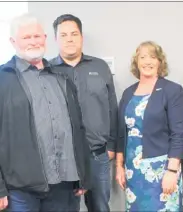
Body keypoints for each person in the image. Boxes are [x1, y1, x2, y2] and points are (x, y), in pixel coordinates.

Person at [0, 13, 92, 212]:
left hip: (64, 185)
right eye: (26, 37)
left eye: (37, 36)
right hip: (19, 191)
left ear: (45, 39)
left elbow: (78, 130)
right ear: (13, 41)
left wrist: (83, 174)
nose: (33, 41)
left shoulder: (62, 78)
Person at [50, 14, 118, 212]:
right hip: (63, 159)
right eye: (63, 35)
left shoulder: (100, 67)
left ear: (81, 37)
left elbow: (112, 108)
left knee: (100, 207)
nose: (69, 39)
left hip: (98, 154)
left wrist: (112, 145)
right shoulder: (48, 70)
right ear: (56, 39)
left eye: (74, 34)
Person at [115, 41, 183, 211]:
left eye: (153, 57)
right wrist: (119, 166)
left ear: (160, 62)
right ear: (136, 62)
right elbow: (121, 132)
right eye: (143, 57)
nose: (148, 61)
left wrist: (171, 171)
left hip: (161, 171)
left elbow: (179, 133)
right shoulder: (128, 93)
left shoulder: (172, 90)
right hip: (133, 172)